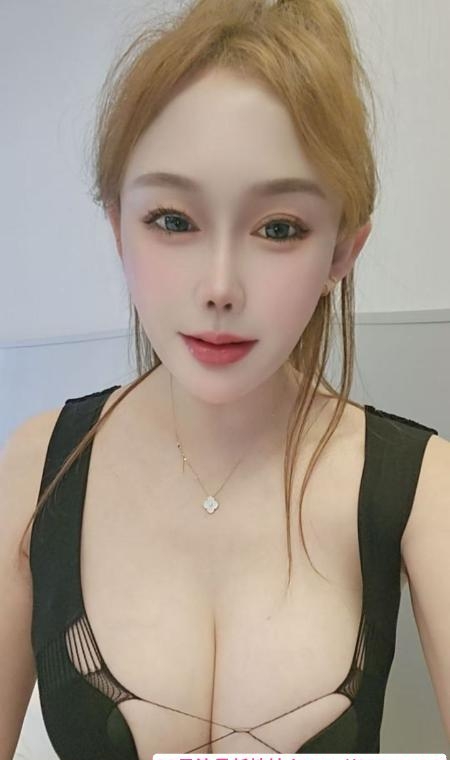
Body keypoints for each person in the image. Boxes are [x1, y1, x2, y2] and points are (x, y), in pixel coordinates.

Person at [1, 0, 448, 757]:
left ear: (343, 251)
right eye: (173, 220)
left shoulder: (425, 488)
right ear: (118, 226)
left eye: (279, 228)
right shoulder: (37, 468)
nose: (219, 287)